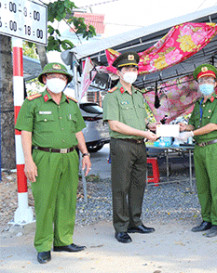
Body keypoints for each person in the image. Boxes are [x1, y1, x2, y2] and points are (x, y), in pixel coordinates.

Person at [15, 62, 92, 264]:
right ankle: (42, 245)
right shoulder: (33, 103)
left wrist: (85, 154)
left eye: (61, 76)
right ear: (44, 79)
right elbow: (26, 133)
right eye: (52, 76)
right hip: (44, 157)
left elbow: (78, 131)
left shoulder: (71, 103)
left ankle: (63, 240)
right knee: (45, 202)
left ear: (66, 81)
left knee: (67, 199)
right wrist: (28, 162)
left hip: (69, 156)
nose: (57, 80)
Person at [102, 52, 159, 243]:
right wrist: (144, 133)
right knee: (121, 187)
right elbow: (115, 125)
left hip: (139, 145)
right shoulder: (112, 96)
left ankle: (136, 222)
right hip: (122, 145)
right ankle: (121, 227)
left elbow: (140, 119)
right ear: (119, 72)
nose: (131, 72)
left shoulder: (137, 94)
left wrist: (149, 126)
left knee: (138, 185)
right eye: (127, 69)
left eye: (134, 69)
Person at [177, 64, 217, 238]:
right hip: (199, 148)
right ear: (198, 84)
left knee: (216, 186)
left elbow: (213, 126)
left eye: (209, 80)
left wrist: (191, 133)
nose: (206, 82)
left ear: (215, 83)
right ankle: (206, 219)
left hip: (213, 147)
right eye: (202, 80)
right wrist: (185, 127)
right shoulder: (199, 104)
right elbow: (193, 123)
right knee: (203, 187)